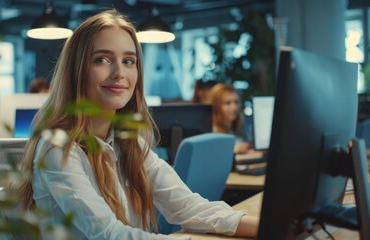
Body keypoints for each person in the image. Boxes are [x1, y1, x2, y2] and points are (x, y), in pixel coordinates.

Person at [19, 9, 258, 239]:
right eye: (102, 59)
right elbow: (109, 235)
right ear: (76, 71)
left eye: (129, 61)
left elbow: (190, 208)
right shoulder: (58, 148)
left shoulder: (130, 142)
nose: (119, 72)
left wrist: (269, 227)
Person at [209, 83, 252, 154]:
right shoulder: (212, 133)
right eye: (227, 103)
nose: (234, 108)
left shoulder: (239, 128)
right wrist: (234, 150)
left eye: (236, 102)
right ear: (216, 107)